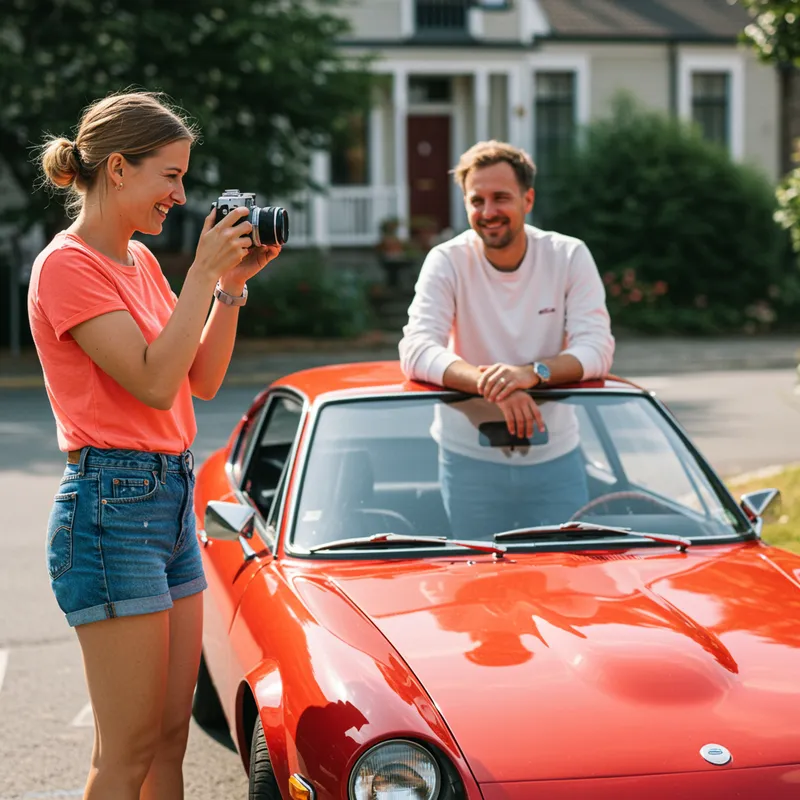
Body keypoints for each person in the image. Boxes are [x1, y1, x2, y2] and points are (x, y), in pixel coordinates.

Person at [28, 91, 281, 799]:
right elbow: (148, 381)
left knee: (169, 741)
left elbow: (197, 380)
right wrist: (201, 274)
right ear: (116, 169)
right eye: (169, 176)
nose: (181, 194)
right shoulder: (66, 266)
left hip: (167, 499)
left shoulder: (139, 263)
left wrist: (228, 287)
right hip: (110, 510)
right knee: (127, 752)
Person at [399, 140, 614, 538]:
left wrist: (531, 374)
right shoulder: (446, 260)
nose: (488, 212)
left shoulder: (568, 255)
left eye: (501, 198)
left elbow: (597, 348)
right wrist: (497, 385)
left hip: (557, 457)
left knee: (566, 577)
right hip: (468, 459)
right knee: (478, 585)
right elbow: (415, 349)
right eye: (476, 200)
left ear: (528, 198)